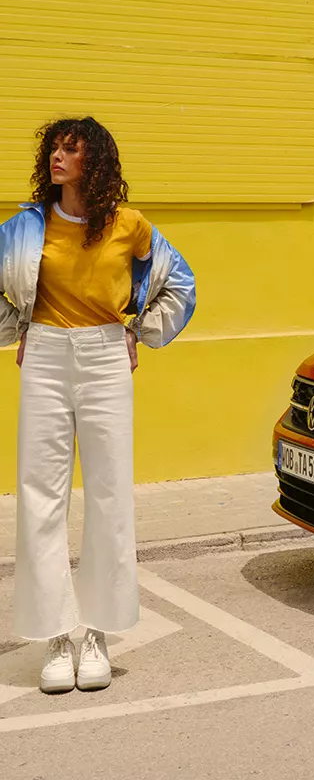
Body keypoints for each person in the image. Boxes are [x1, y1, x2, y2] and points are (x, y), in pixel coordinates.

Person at [0, 117, 196, 693]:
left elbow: (180, 284)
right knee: (40, 493)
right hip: (45, 359)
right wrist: (17, 327)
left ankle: (97, 633)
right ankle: (57, 635)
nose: (58, 157)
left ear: (96, 162)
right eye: (53, 149)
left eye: (71, 149)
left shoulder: (129, 226)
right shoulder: (24, 229)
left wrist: (140, 333)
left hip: (108, 356)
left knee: (109, 493)